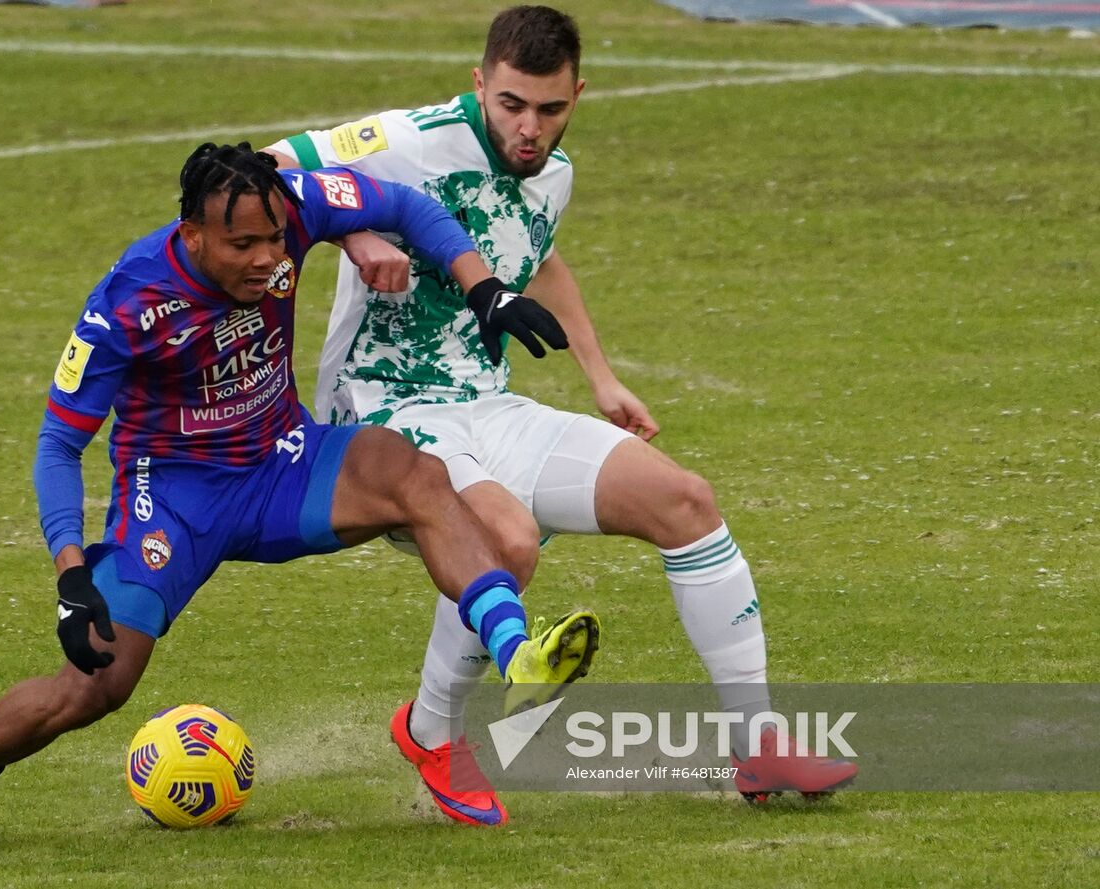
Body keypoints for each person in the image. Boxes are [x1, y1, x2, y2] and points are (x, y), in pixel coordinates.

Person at [0, 142, 600, 859]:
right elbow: (57, 447)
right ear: (191, 233)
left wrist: (484, 286)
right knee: (98, 682)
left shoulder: (291, 204)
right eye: (243, 247)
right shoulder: (127, 303)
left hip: (281, 463)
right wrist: (71, 578)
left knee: (414, 473)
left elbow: (403, 204)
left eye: (275, 240)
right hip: (173, 500)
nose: (268, 259)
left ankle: (516, 653)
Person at [266, 5, 857, 826]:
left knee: (687, 502)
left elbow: (537, 262)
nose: (529, 128)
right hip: (384, 412)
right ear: (480, 83)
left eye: (550, 109)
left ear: (577, 93)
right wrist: (354, 231)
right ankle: (432, 730)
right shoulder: (408, 138)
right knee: (505, 538)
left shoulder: (554, 174)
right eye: (511, 105)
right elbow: (260, 170)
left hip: (486, 403)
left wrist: (602, 377)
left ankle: (758, 744)